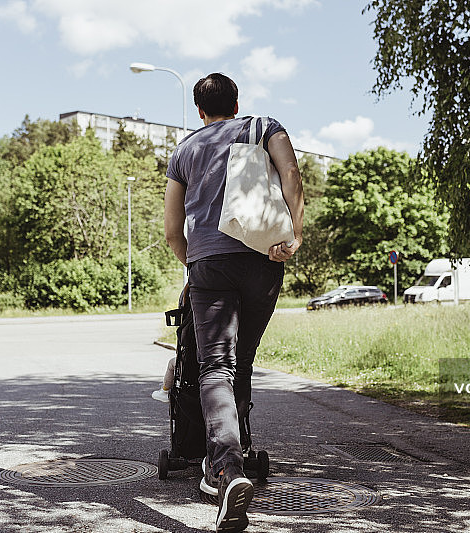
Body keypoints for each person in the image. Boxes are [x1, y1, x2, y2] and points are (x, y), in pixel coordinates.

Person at [164, 72, 304, 533]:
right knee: (240, 362)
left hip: (209, 263)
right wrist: (293, 234)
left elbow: (171, 231)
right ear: (237, 102)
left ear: (199, 110)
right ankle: (235, 456)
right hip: (264, 258)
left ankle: (223, 468)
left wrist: (195, 263)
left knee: (215, 368)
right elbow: (290, 174)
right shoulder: (263, 126)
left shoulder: (184, 149)